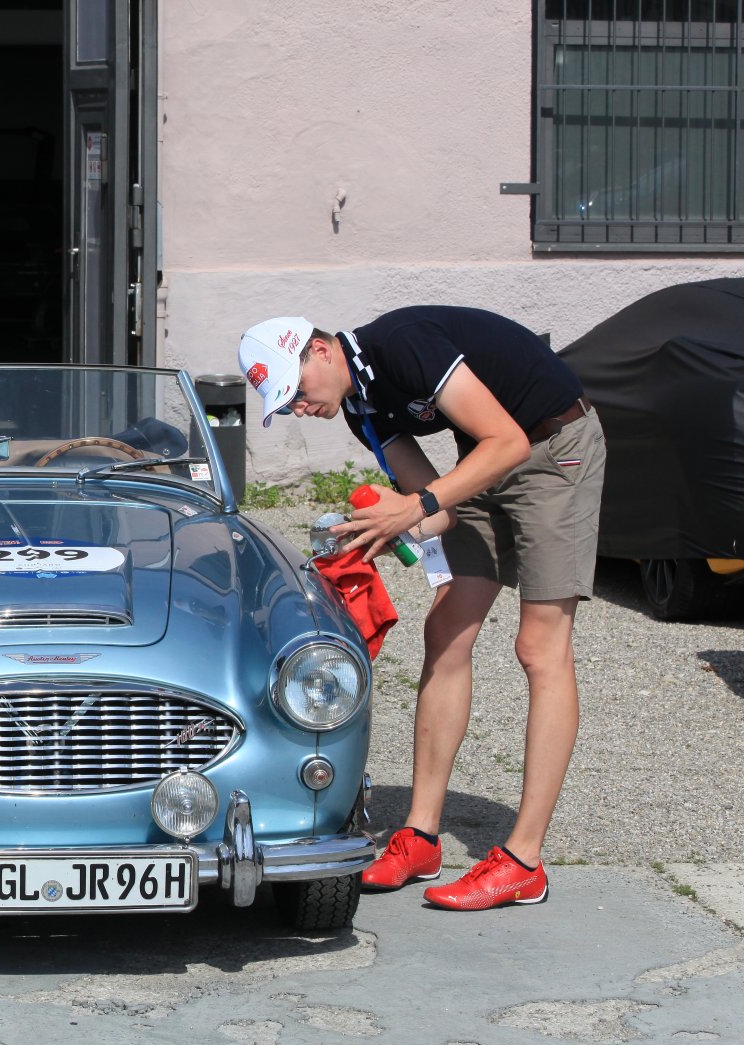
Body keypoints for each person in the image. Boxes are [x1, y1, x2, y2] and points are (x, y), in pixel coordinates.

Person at [238, 307, 606, 910]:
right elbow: (440, 515)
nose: (298, 408)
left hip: (552, 447)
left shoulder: (403, 346)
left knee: (539, 647)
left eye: (296, 391)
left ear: (320, 351)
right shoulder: (361, 409)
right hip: (483, 457)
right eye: (286, 404)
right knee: (446, 631)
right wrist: (370, 534)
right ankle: (421, 836)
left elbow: (508, 443)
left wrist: (413, 508)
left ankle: (524, 862)